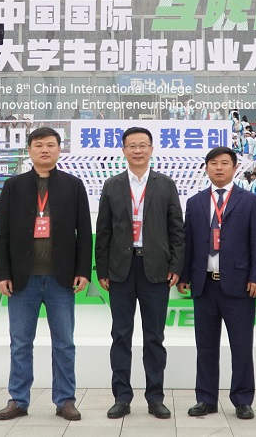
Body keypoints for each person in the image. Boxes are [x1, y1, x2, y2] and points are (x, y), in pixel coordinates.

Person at [0, 127, 92, 422]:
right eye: (39, 145)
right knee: (21, 343)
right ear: (29, 150)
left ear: (59, 150)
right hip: (23, 280)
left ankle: (65, 400)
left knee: (64, 343)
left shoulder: (74, 186)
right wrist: (3, 273)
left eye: (50, 145)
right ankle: (18, 399)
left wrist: (83, 270)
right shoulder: (13, 186)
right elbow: (2, 233)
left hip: (61, 279)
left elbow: (84, 233)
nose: (45, 150)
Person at [95, 127, 184, 420]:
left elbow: (177, 230)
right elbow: (103, 231)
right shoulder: (112, 185)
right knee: (120, 335)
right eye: (132, 145)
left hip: (155, 270)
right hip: (121, 270)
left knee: (154, 337)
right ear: (123, 150)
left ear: (151, 149)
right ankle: (122, 397)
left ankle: (155, 398)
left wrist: (175, 266)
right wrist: (102, 268)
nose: (137, 150)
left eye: (143, 145)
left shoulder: (165, 184)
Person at [178, 146, 256, 421]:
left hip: (239, 285)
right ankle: (206, 399)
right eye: (213, 163)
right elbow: (188, 242)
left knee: (241, 346)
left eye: (225, 163)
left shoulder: (250, 201)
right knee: (205, 346)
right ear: (206, 168)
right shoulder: (195, 202)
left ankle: (242, 400)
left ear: (235, 168)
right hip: (204, 284)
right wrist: (184, 276)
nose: (219, 167)